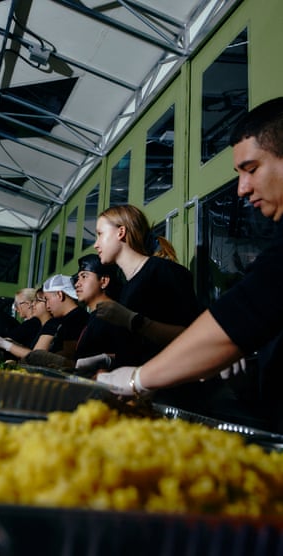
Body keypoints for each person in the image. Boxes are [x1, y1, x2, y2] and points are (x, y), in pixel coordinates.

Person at [96, 97, 283, 433]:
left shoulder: (164, 273)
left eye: (251, 169)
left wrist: (139, 378)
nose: (242, 189)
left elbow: (239, 317)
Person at [94, 204, 201, 361]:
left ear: (121, 232)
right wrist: (108, 361)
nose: (96, 244)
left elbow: (193, 336)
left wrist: (134, 321)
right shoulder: (126, 289)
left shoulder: (165, 272)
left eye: (100, 234)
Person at [72, 254, 142, 376]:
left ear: (103, 281)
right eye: (78, 278)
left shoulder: (115, 316)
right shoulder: (94, 317)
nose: (77, 284)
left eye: (84, 276)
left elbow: (129, 357)